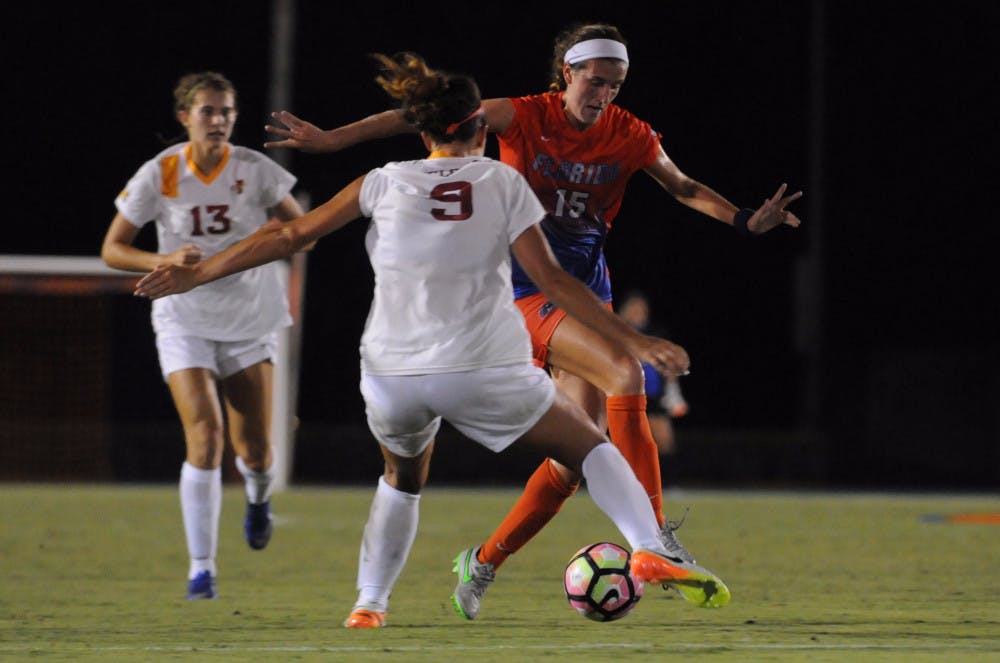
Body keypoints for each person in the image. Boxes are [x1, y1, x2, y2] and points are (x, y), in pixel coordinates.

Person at [133, 52, 731, 628]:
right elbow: (551, 280)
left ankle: (369, 604)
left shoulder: (381, 182)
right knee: (592, 448)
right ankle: (651, 545)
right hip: (482, 369)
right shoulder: (503, 181)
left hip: (391, 375)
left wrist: (195, 272)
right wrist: (634, 338)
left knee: (401, 479)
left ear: (423, 136)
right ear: (479, 127)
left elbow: (288, 237)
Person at [261, 22, 800, 619]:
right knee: (625, 370)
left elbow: (684, 186)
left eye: (616, 85)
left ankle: (483, 562)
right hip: (523, 288)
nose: (605, 95)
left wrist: (744, 220)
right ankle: (656, 540)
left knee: (574, 464)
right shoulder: (519, 115)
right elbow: (430, 114)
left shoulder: (631, 134)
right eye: (596, 81)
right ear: (566, 72)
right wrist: (333, 140)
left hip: (582, 293)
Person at [101, 71, 306, 600]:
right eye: (208, 111)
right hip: (183, 318)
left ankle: (258, 498)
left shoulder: (254, 169)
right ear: (184, 117)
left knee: (255, 449)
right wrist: (162, 258)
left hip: (248, 318)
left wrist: (268, 238)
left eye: (227, 112)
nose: (218, 121)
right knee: (205, 436)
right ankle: (202, 569)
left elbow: (299, 231)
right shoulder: (161, 173)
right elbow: (114, 249)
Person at [617, 290, 688, 456]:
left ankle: (669, 481)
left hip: (653, 395)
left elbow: (669, 364)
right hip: (626, 394)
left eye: (641, 308)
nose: (638, 312)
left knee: (664, 440)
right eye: (633, 308)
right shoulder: (618, 332)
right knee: (626, 442)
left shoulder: (656, 334)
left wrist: (673, 392)